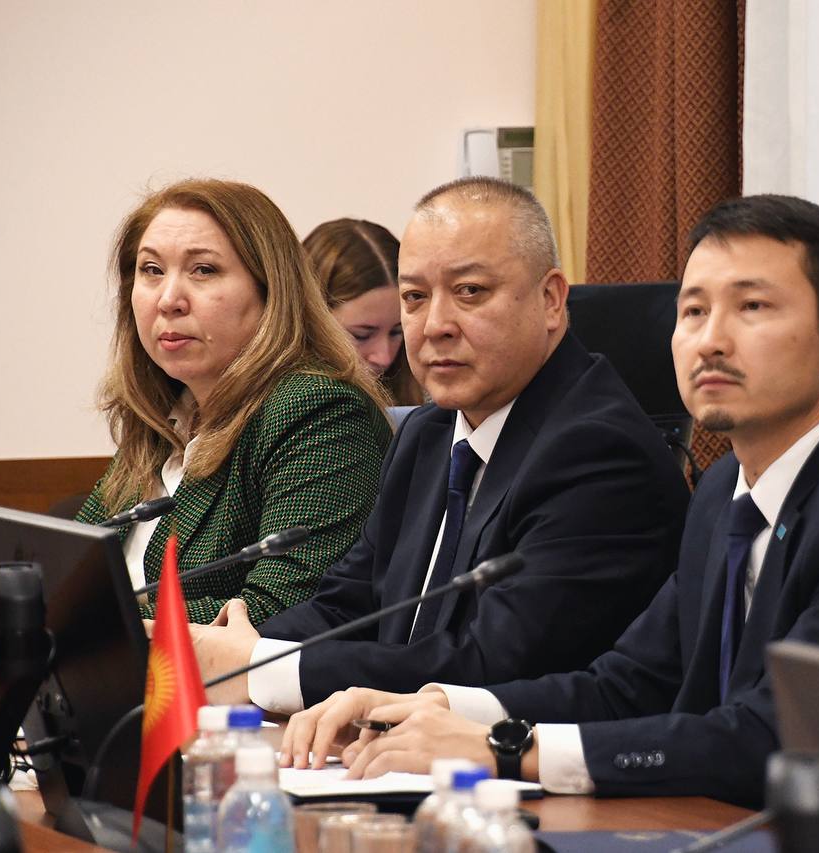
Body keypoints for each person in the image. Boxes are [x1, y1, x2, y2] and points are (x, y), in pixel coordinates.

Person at [280, 194, 819, 808]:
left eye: (751, 307)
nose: (710, 340)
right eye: (693, 312)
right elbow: (629, 683)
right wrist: (442, 707)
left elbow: (777, 738)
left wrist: (506, 747)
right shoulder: (725, 490)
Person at [189, 177, 691, 710]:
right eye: (415, 297)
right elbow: (347, 606)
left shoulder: (598, 452)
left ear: (550, 300)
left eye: (470, 291)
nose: (434, 326)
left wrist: (262, 670)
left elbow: (492, 665)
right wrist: (228, 655)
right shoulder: (428, 432)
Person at [0, 179, 392, 649]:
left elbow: (279, 611)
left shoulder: (319, 410)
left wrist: (62, 623)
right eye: (152, 270)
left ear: (271, 291)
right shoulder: (164, 418)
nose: (168, 299)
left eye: (203, 270)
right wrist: (11, 614)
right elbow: (69, 576)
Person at [303, 218, 424, 406]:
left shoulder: (430, 395)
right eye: (361, 335)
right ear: (309, 321)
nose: (384, 358)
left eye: (397, 332)